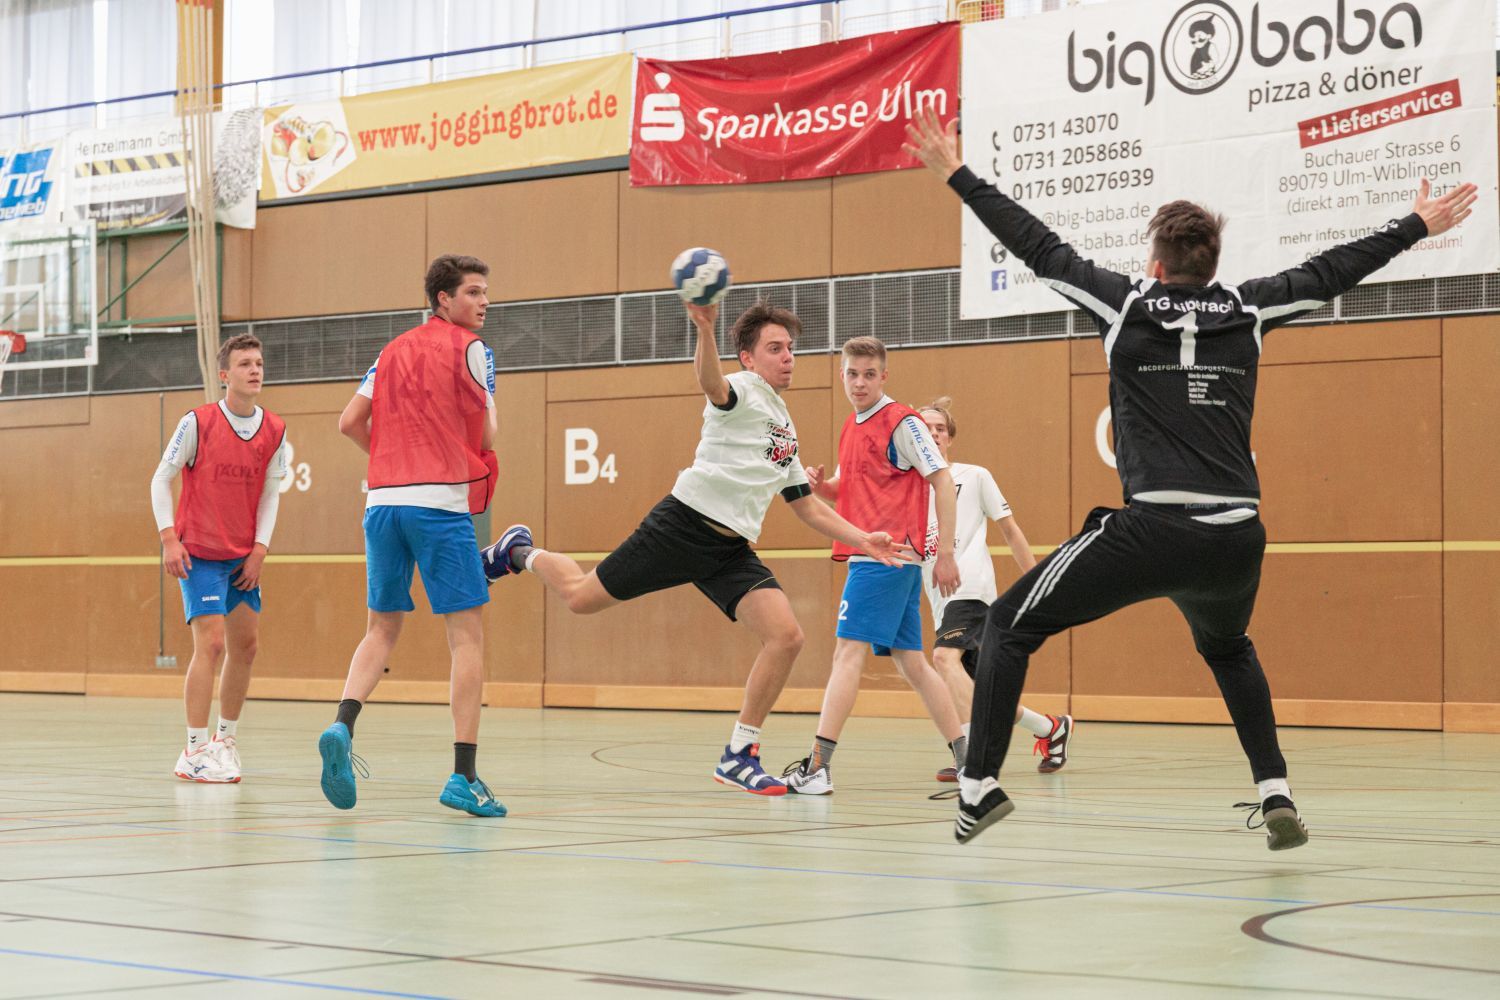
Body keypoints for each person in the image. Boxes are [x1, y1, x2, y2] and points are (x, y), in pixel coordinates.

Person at [903, 108, 1477, 849]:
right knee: (1229, 648)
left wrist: (957, 174)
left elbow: (1038, 246)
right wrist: (1416, 224)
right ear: (1212, 264)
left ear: (1155, 264)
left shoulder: (1124, 306)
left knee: (1009, 628)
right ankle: (1275, 792)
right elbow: (1334, 271)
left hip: (1155, 529)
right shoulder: (1249, 310)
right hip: (1235, 537)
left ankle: (979, 786)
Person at [481, 300, 910, 796]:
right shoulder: (742, 389)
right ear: (748, 358)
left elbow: (807, 506)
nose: (788, 357)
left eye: (790, 348)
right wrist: (704, 328)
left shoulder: (784, 425)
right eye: (775, 348)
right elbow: (712, 383)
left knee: (786, 637)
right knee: (580, 598)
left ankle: (739, 755)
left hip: (729, 549)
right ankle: (518, 552)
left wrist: (863, 538)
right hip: (682, 526)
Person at [317, 254, 505, 817]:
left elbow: (348, 422)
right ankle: (463, 776)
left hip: (381, 503)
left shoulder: (389, 351)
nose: (484, 302)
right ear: (444, 299)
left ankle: (342, 724)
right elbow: (487, 434)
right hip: (438, 503)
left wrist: (389, 458)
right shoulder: (473, 349)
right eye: (473, 292)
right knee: (466, 638)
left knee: (380, 629)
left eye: (485, 292)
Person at [781, 336, 965, 795]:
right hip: (884, 558)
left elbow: (942, 480)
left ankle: (818, 767)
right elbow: (849, 487)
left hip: (884, 557)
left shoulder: (902, 421)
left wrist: (945, 552)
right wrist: (822, 488)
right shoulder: (852, 424)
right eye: (851, 374)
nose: (859, 383)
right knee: (913, 664)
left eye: (868, 374)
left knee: (847, 654)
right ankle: (970, 760)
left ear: (883, 376)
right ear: (841, 375)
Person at [153, 333, 287, 783]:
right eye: (245, 364)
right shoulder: (198, 422)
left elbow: (270, 494)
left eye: (259, 363)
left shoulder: (274, 430)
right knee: (210, 644)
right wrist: (169, 538)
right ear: (225, 375)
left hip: (242, 558)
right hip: (200, 554)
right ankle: (193, 750)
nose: (255, 370)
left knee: (246, 647)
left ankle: (224, 742)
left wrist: (260, 549)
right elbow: (161, 479)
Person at [915, 397, 1071, 785]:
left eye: (939, 428)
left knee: (944, 659)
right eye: (925, 428)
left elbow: (1010, 530)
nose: (933, 434)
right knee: (980, 692)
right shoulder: (909, 488)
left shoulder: (974, 476)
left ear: (950, 438)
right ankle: (1051, 728)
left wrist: (1038, 583)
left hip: (970, 586)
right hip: (938, 598)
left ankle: (972, 755)